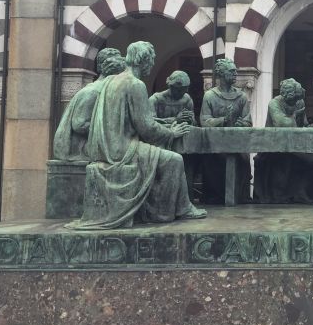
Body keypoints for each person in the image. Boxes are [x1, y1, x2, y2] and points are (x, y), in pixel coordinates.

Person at [67, 41, 206, 230]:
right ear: (144, 60)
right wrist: (171, 133)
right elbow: (146, 127)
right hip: (121, 150)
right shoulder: (135, 84)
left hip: (107, 146)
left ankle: (177, 207)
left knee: (164, 157)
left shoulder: (112, 80)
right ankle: (164, 213)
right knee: (174, 160)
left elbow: (132, 120)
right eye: (151, 59)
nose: (152, 64)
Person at [253, 78, 313, 204]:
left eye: (297, 98)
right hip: (274, 146)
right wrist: (295, 116)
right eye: (294, 98)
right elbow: (282, 124)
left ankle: (302, 194)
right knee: (283, 160)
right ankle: (282, 195)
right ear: (286, 95)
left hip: (294, 146)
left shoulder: (299, 102)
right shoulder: (274, 103)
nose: (296, 101)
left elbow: (303, 128)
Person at [52, 47, 125, 161]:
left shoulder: (106, 90)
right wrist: (110, 129)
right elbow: (79, 124)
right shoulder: (93, 91)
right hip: (81, 149)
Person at [200, 58, 252, 204]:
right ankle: (216, 196)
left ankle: (241, 195)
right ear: (221, 74)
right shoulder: (210, 96)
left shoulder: (241, 96)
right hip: (215, 144)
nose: (236, 74)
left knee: (242, 158)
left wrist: (243, 123)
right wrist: (223, 119)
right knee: (214, 162)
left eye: (235, 71)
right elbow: (204, 121)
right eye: (232, 71)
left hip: (236, 142)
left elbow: (248, 121)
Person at [149, 70, 198, 199]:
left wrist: (190, 119)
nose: (182, 92)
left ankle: (187, 199)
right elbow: (150, 124)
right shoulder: (155, 99)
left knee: (190, 164)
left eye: (185, 89)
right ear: (171, 87)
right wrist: (175, 119)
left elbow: (194, 123)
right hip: (162, 143)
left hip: (184, 143)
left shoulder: (187, 99)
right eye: (179, 90)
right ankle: (165, 198)